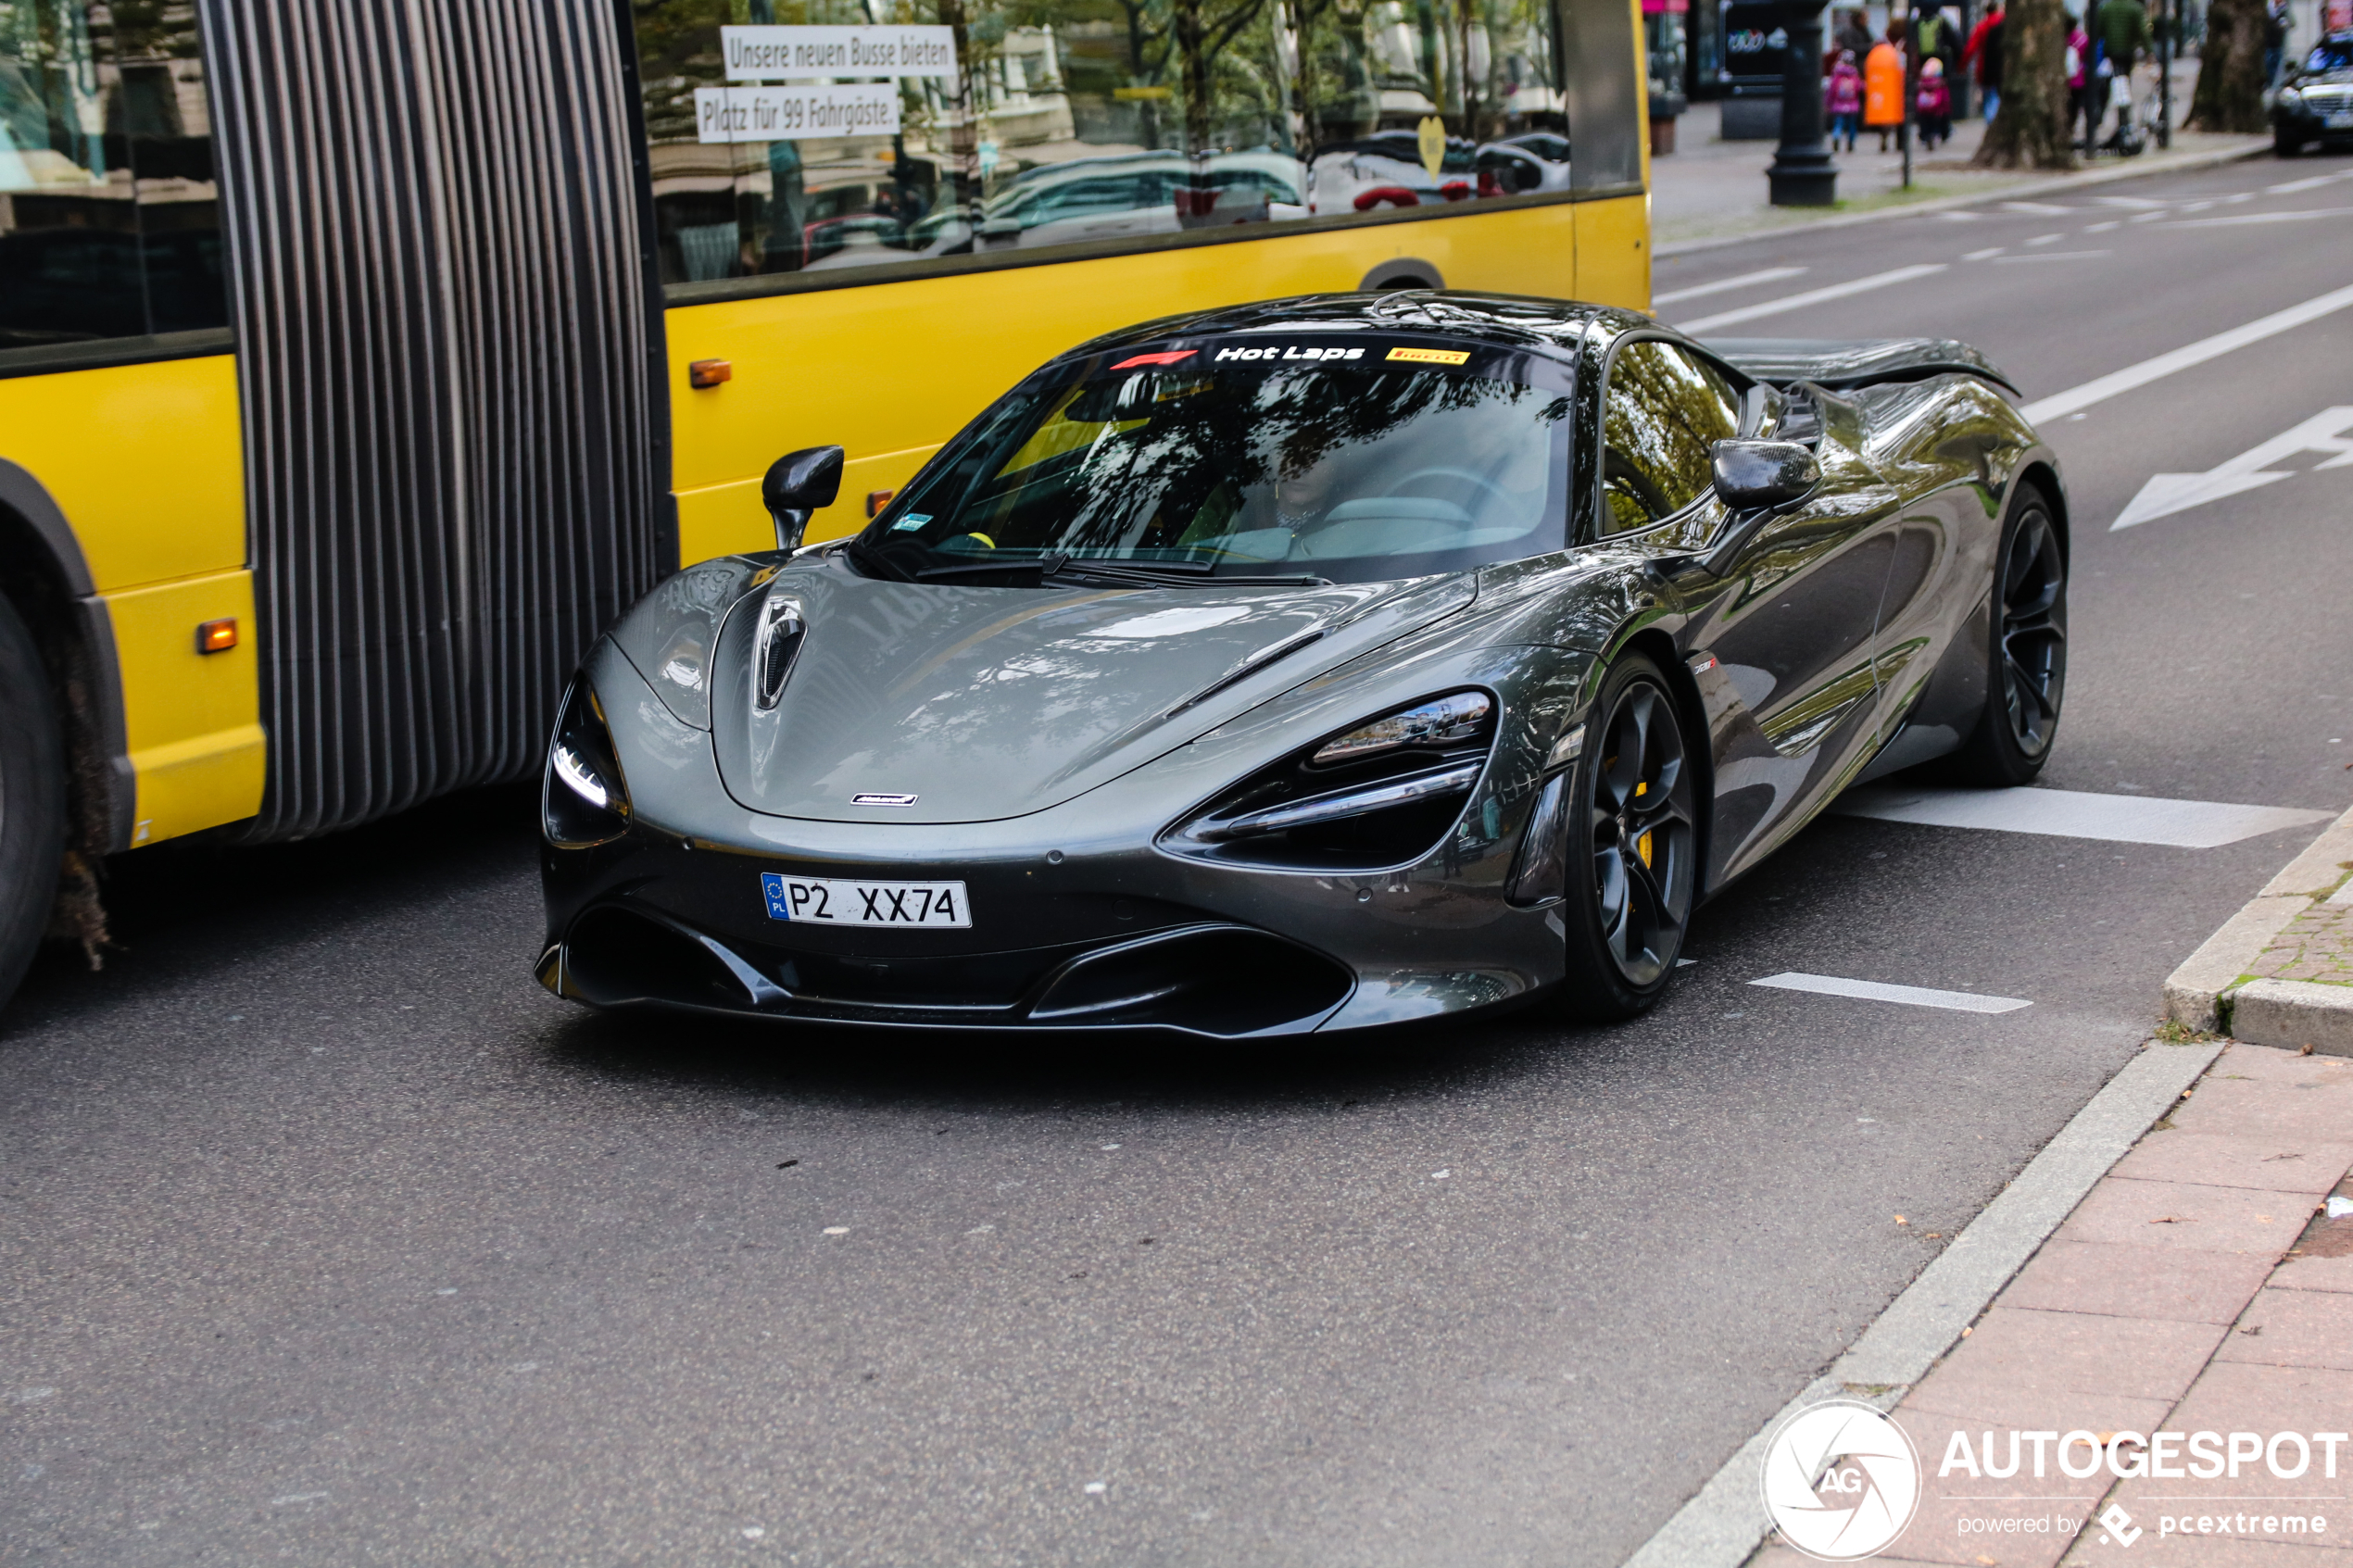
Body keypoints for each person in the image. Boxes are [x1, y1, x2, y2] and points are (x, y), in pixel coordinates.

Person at [2092, 0, 2149, 143]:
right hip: (2126, 53)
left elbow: (2098, 30)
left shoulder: (2106, 8)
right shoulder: (2135, 8)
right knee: (2123, 85)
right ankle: (2123, 119)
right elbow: (2142, 31)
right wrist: (2149, 51)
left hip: (2110, 53)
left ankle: (2097, 117)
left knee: (2105, 85)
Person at [1865, 26, 1907, 151]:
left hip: (1884, 82)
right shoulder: (1905, 45)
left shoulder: (1881, 44)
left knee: (1885, 113)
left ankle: (1884, 136)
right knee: (1900, 112)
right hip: (1900, 82)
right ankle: (1900, 142)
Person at [1965, 0, 2007, 120]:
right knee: (1997, 96)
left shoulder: (1982, 26)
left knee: (1989, 97)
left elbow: (1970, 49)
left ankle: (1991, 120)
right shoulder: (2005, 24)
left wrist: (1961, 65)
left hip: (1985, 69)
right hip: (2003, 67)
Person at [2066, 10, 2096, 149]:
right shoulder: (2082, 39)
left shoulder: (2059, 39)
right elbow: (2089, 59)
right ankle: (2072, 130)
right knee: (2076, 107)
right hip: (2078, 80)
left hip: (2064, 81)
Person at [1827, 48, 1864, 150]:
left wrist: (1828, 103)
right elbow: (1859, 88)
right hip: (1853, 106)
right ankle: (1851, 143)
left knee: (1838, 124)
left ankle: (1836, 136)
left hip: (1838, 106)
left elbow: (1832, 90)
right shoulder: (1855, 74)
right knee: (1852, 126)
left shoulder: (1837, 75)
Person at [1915, 56, 1954, 146]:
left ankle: (1925, 135)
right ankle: (1940, 134)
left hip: (1924, 108)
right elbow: (1945, 100)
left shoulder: (1922, 84)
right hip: (1938, 109)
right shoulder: (1941, 84)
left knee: (1925, 121)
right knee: (1939, 122)